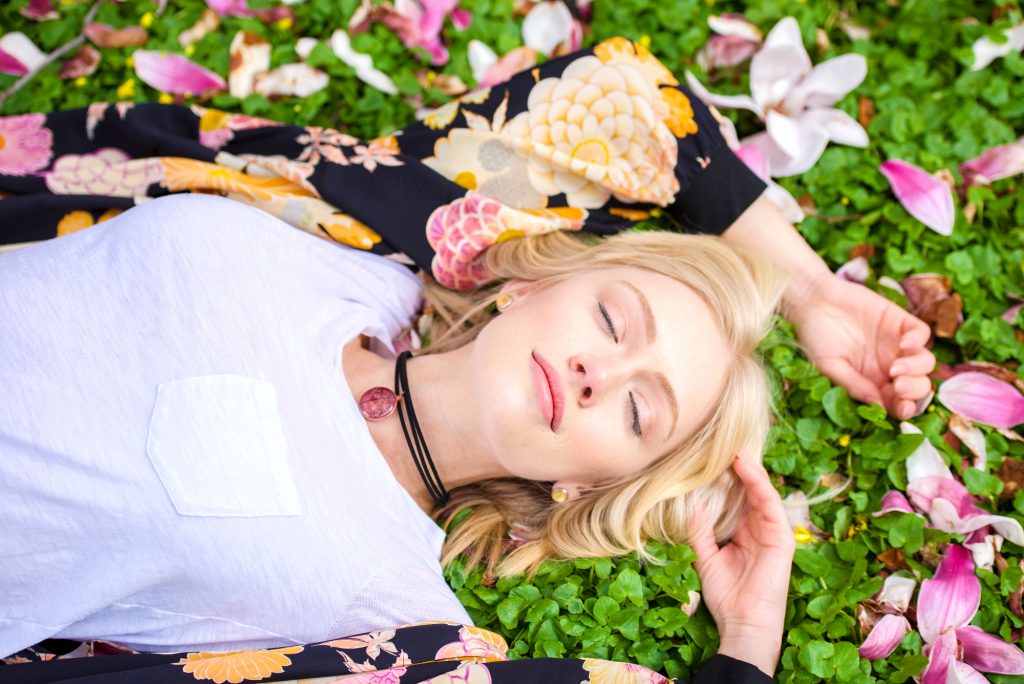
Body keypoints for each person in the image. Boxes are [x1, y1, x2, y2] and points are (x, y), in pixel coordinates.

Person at [0, 37, 935, 680]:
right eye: (612, 320)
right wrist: (811, 292)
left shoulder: (397, 620)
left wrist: (748, 639)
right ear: (526, 286)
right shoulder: (368, 240)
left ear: (590, 486)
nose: (597, 374)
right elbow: (640, 109)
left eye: (638, 412)